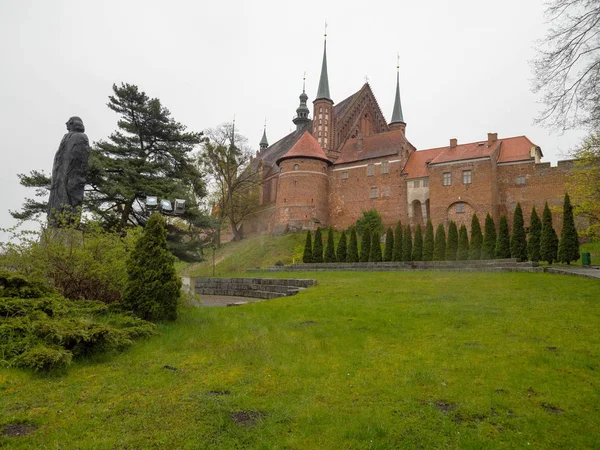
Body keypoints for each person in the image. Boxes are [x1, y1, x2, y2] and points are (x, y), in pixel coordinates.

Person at [47, 116, 90, 225]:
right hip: (59, 176)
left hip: (73, 176)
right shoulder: (66, 137)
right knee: (57, 198)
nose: (66, 124)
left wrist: (75, 177)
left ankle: (69, 222)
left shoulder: (81, 137)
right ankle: (56, 220)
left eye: (68, 123)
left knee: (72, 199)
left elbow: (81, 161)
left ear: (72, 124)